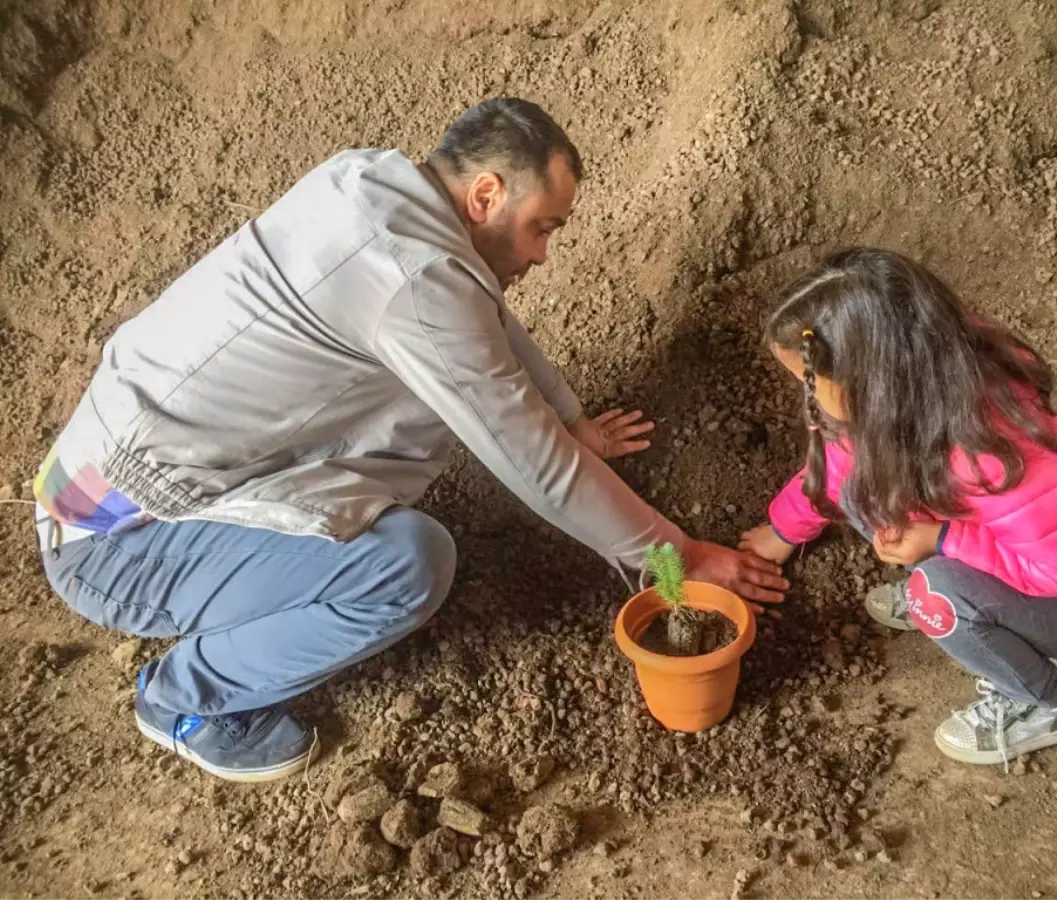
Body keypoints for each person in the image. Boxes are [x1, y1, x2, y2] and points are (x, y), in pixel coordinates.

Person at [33, 98, 788, 783]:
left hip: (94, 477)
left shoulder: (372, 185)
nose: (543, 255)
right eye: (543, 228)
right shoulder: (412, 275)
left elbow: (479, 314)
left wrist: (569, 422)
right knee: (406, 564)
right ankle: (184, 699)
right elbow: (535, 466)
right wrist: (672, 556)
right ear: (486, 195)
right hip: (114, 544)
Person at [739, 248, 1057, 766]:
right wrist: (783, 532)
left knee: (937, 597)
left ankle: (1044, 702)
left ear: (874, 382)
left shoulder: (1001, 459)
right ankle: (964, 590)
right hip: (1019, 546)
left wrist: (940, 542)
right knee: (862, 486)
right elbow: (840, 464)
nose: (806, 400)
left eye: (810, 384)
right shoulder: (920, 385)